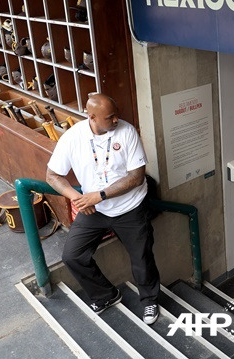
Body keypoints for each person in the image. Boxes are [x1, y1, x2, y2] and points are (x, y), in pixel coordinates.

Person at [46, 93, 160, 324]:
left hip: (130, 207)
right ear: (92, 117)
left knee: (142, 257)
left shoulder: (127, 132)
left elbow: (136, 177)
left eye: (116, 114)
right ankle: (106, 295)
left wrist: (99, 196)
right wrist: (78, 198)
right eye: (110, 117)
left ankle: (149, 301)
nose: (117, 120)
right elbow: (52, 175)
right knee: (72, 255)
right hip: (94, 211)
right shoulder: (72, 138)